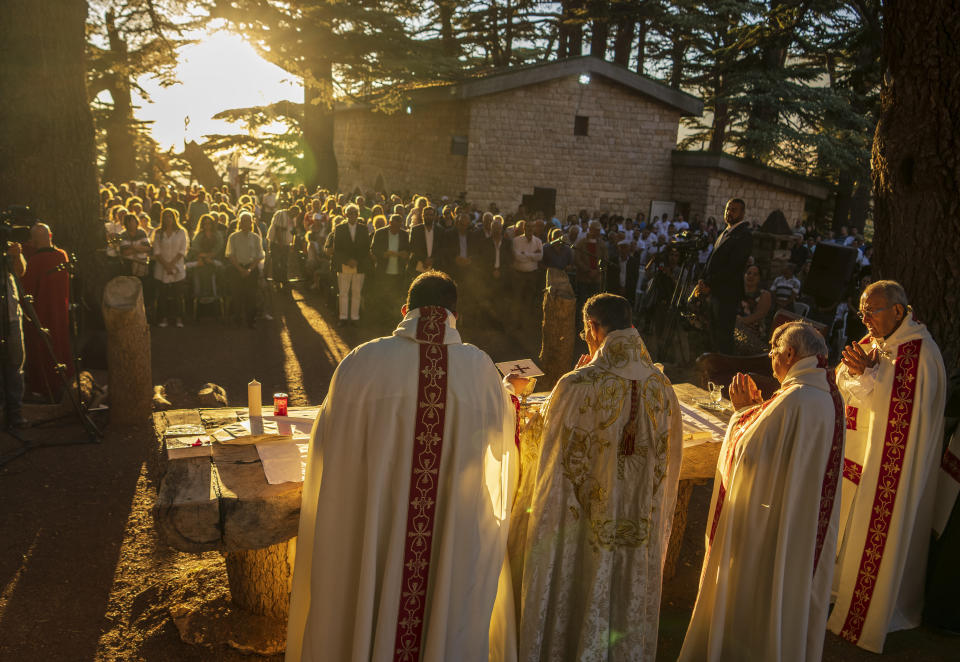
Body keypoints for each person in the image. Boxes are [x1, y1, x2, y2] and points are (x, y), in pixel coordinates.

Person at [286, 271, 519, 662]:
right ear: (454, 316)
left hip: (372, 526)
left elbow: (327, 451)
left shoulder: (360, 362)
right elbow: (501, 445)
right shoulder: (481, 370)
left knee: (366, 602)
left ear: (404, 311)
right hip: (449, 527)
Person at [506, 293, 682, 661]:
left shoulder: (575, 386)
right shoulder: (662, 388)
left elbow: (541, 447)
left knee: (582, 578)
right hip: (637, 526)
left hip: (587, 526)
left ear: (593, 329)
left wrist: (523, 412)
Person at [678, 321, 844, 662]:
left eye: (773, 351)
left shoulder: (796, 398)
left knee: (762, 584)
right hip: (798, 514)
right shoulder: (824, 392)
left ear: (790, 354)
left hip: (773, 520)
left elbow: (749, 455)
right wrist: (761, 409)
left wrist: (742, 412)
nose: (771, 358)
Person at [828, 280, 947, 653]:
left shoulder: (920, 353)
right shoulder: (873, 344)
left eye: (872, 311)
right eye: (861, 311)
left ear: (898, 311)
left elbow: (904, 412)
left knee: (877, 532)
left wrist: (869, 376)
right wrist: (858, 373)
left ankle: (877, 608)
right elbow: (842, 379)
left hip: (892, 467)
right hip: (860, 458)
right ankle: (840, 589)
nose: (865, 320)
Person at [21, 223, 73, 400]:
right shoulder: (62, 255)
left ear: (34, 240)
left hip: (40, 313)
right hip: (59, 311)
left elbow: (26, 290)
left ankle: (42, 387)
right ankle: (62, 381)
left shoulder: (35, 261)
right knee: (60, 343)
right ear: (50, 236)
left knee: (41, 347)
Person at [698, 198, 753, 354]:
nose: (729, 212)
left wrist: (710, 283)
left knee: (723, 336)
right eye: (728, 209)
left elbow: (733, 267)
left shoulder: (743, 235)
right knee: (713, 333)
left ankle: (724, 372)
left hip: (726, 293)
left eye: (734, 209)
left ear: (742, 213)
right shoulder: (725, 232)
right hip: (715, 291)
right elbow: (712, 259)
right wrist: (702, 279)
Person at [329, 203, 370, 325]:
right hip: (344, 264)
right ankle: (343, 317)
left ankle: (355, 318)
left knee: (356, 292)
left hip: (359, 264)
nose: (353, 215)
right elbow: (337, 249)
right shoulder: (340, 229)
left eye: (355, 213)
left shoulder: (363, 228)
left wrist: (356, 260)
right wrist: (348, 260)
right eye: (350, 213)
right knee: (343, 293)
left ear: (358, 215)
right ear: (346, 214)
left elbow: (366, 248)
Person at [2, 240, 27, 428]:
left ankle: (15, 414)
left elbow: (20, 271)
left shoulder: (8, 248)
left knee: (16, 364)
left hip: (12, 315)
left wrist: (17, 255)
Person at [225, 212, 265, 328]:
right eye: (243, 221)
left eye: (248, 221)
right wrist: (240, 269)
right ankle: (237, 320)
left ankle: (250, 321)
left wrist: (249, 269)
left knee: (251, 296)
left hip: (251, 269)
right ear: (240, 223)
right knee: (237, 295)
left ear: (251, 223)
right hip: (236, 269)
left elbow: (259, 255)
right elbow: (230, 254)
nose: (245, 223)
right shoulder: (233, 237)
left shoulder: (255, 237)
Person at [370, 213, 410, 322]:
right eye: (394, 226)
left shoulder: (404, 235)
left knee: (396, 296)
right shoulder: (380, 233)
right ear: (390, 223)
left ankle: (393, 319)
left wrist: (405, 254)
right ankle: (381, 319)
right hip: (383, 271)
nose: (395, 229)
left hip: (398, 271)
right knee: (382, 295)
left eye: (398, 227)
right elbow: (373, 249)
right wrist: (383, 254)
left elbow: (409, 250)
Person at [735, 264, 772, 354]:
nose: (751, 276)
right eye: (749, 273)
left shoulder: (764, 295)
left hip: (754, 334)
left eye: (755, 274)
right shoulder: (736, 291)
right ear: (744, 275)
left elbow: (759, 315)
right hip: (734, 328)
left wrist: (738, 321)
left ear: (759, 278)